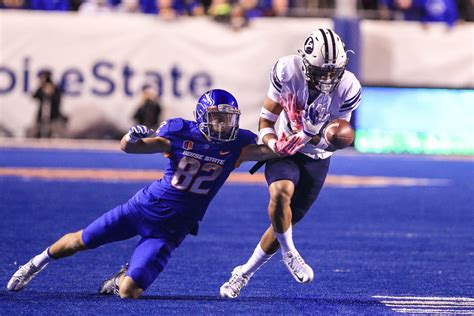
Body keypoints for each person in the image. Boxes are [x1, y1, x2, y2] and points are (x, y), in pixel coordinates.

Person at [7, 89, 300, 299]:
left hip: (172, 230)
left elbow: (271, 149)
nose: (223, 125)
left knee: (129, 292)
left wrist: (294, 139)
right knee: (81, 242)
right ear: (201, 116)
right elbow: (131, 147)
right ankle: (34, 264)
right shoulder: (180, 132)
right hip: (143, 208)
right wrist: (130, 136)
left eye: (228, 119)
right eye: (217, 118)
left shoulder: (238, 144)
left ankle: (122, 275)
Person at [219, 28, 362, 298]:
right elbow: (266, 120)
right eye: (322, 71)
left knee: (286, 222)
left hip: (318, 155)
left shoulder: (350, 86)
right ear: (306, 63)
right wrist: (274, 144)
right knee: (280, 193)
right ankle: (290, 252)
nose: (328, 78)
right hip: (284, 150)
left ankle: (243, 273)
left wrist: (312, 134)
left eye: (334, 72)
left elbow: (339, 137)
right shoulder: (287, 70)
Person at [31, 70, 67, 138]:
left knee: (57, 133)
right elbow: (34, 96)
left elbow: (57, 99)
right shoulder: (41, 88)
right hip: (42, 116)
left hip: (54, 116)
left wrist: (50, 93)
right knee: (36, 132)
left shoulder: (55, 88)